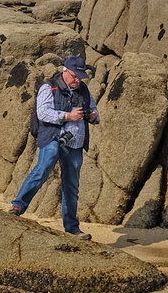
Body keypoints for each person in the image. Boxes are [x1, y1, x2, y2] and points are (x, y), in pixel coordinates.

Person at [9, 54, 100, 236]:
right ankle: (18, 206)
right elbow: (42, 113)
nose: (77, 80)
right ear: (65, 71)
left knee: (72, 186)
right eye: (74, 76)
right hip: (52, 137)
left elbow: (95, 111)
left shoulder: (84, 90)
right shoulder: (48, 87)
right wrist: (68, 116)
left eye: (80, 77)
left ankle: (72, 228)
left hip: (75, 143)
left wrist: (93, 116)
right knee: (44, 167)